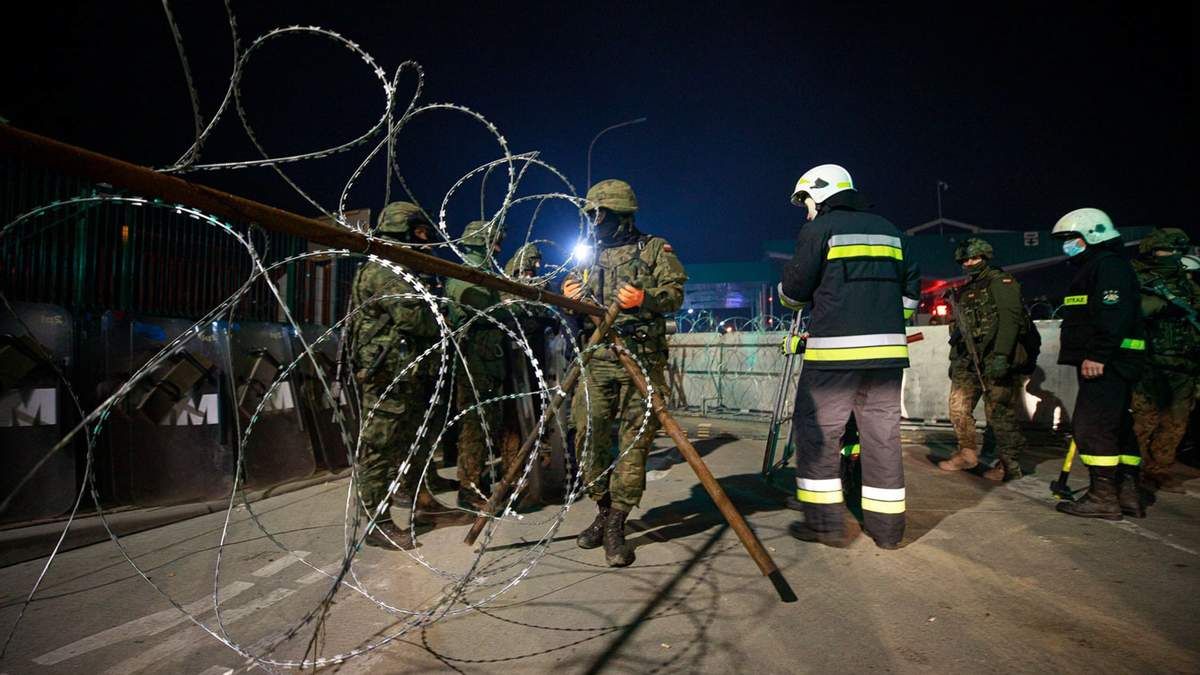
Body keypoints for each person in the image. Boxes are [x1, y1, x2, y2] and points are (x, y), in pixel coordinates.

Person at [778, 164, 920, 549]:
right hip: (888, 359)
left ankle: (825, 526)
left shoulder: (819, 230)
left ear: (819, 194)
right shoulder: (892, 230)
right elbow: (910, 295)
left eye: (805, 200)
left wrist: (787, 291)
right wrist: (886, 323)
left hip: (833, 360)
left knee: (820, 438)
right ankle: (888, 532)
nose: (805, 209)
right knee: (883, 439)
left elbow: (795, 293)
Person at [562, 179, 687, 567]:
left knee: (635, 443)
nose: (593, 222)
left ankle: (617, 521)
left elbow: (676, 294)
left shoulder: (653, 248)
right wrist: (570, 297)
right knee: (588, 432)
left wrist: (644, 299)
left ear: (619, 215)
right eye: (591, 215)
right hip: (597, 356)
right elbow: (574, 298)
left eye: (599, 214)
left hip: (640, 358)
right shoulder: (588, 255)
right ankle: (602, 508)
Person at [350, 201, 444, 548]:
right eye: (421, 232)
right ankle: (376, 522)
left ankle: (423, 504)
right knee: (380, 447)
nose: (427, 240)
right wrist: (442, 317)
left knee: (408, 443)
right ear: (404, 231)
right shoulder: (386, 271)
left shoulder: (403, 269)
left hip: (405, 372)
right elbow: (413, 318)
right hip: (386, 376)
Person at [1051, 208, 1146, 520]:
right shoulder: (1105, 266)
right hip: (1116, 361)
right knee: (1118, 425)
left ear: (1091, 235)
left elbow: (1112, 313)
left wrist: (1098, 354)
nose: (1067, 245)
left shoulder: (1106, 267)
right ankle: (1126, 492)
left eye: (1071, 239)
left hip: (1107, 362)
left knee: (1092, 427)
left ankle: (1103, 495)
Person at [939, 237, 1030, 481]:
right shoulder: (968, 288)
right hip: (969, 360)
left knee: (999, 413)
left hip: (995, 356)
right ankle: (967, 453)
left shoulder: (1001, 282)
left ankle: (1009, 464)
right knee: (958, 407)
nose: (970, 262)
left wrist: (1001, 355)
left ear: (985, 257)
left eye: (974, 258)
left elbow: (1010, 320)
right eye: (965, 259)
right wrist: (956, 359)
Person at [446, 219, 514, 511]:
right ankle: (469, 488)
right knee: (475, 427)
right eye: (494, 241)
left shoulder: (483, 272)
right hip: (475, 362)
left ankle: (478, 479)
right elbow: (473, 302)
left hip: (488, 362)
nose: (498, 247)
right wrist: (507, 307)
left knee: (486, 424)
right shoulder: (467, 273)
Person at [1130, 228, 1200, 495]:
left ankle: (1160, 470)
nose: (1174, 256)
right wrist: (1157, 304)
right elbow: (1133, 311)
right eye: (1168, 250)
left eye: (1178, 251)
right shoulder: (1137, 279)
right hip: (1149, 363)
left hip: (1183, 363)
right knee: (1144, 421)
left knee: (1176, 422)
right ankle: (1136, 469)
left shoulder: (1186, 282)